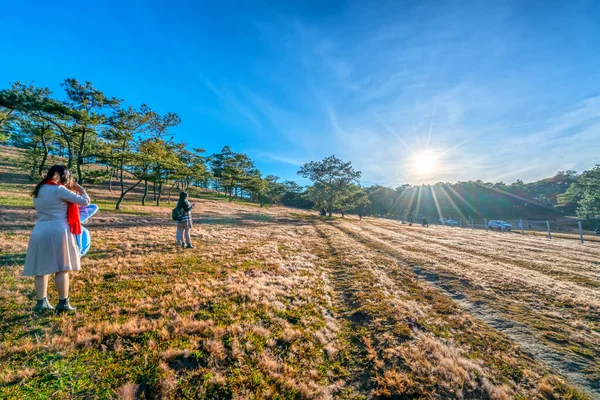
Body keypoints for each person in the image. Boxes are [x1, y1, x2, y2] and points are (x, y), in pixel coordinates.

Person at [23, 165, 91, 314]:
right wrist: (80, 189)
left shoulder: (39, 189)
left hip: (40, 229)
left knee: (41, 268)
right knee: (62, 267)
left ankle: (42, 303)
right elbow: (85, 201)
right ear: (63, 176)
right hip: (59, 229)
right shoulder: (59, 189)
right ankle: (63, 303)